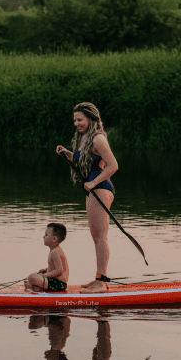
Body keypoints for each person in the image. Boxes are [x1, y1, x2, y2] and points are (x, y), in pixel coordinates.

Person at [56, 102, 118, 293]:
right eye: (75, 120)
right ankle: (99, 278)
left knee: (100, 237)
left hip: (100, 188)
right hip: (94, 189)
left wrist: (93, 182)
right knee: (96, 236)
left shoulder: (98, 139)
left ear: (91, 119)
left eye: (80, 120)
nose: (76, 123)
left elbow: (113, 165)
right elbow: (86, 161)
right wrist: (68, 153)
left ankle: (101, 282)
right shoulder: (85, 138)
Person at [24, 223, 69, 292]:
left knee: (32, 276)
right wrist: (45, 270)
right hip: (55, 283)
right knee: (34, 277)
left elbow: (59, 271)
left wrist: (44, 275)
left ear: (54, 239)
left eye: (46, 235)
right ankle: (36, 288)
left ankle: (32, 286)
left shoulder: (55, 252)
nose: (43, 237)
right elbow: (55, 267)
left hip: (59, 284)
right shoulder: (55, 250)